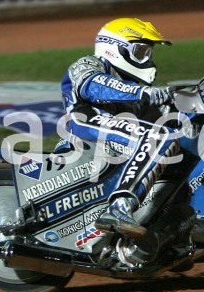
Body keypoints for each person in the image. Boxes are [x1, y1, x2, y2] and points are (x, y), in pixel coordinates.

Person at [61, 18, 178, 240]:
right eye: (141, 52)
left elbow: (164, 118)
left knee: (178, 138)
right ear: (114, 48)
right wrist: (143, 94)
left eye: (148, 53)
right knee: (158, 138)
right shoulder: (88, 63)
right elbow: (92, 84)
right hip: (85, 126)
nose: (148, 60)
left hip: (115, 143)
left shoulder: (135, 89)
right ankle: (119, 207)